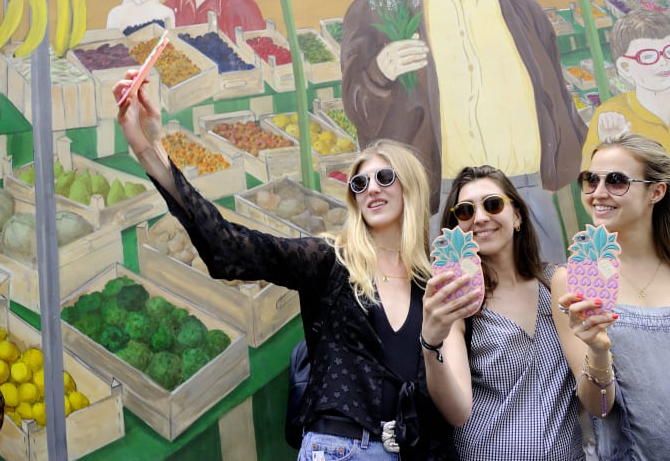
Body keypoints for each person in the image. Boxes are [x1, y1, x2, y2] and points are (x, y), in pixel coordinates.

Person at [112, 70, 478, 460]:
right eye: (359, 183)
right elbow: (228, 249)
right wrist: (149, 146)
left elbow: (458, 411)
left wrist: (433, 341)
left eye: (384, 177)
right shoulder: (330, 263)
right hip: (339, 450)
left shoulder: (439, 289)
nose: (371, 187)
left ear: (411, 186)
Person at [340, 0, 587, 265]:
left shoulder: (521, 8)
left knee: (544, 300)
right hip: (442, 198)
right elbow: (356, 105)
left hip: (526, 192)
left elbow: (556, 97)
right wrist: (379, 72)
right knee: (454, 308)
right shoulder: (376, 7)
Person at [424, 165, 585, 460]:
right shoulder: (458, 301)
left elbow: (590, 395)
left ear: (518, 215)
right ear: (456, 228)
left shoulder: (556, 283)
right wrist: (430, 346)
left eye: (493, 204)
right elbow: (457, 411)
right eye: (465, 211)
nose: (481, 217)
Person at [553, 132, 670, 460]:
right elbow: (599, 407)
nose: (598, 193)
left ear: (656, 191)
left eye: (616, 181)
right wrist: (598, 350)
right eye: (590, 180)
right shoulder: (575, 281)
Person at [582, 8, 670, 168]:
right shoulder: (610, 115)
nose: (664, 61)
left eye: (668, 51)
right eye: (648, 56)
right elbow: (592, 187)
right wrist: (610, 149)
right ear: (625, 67)